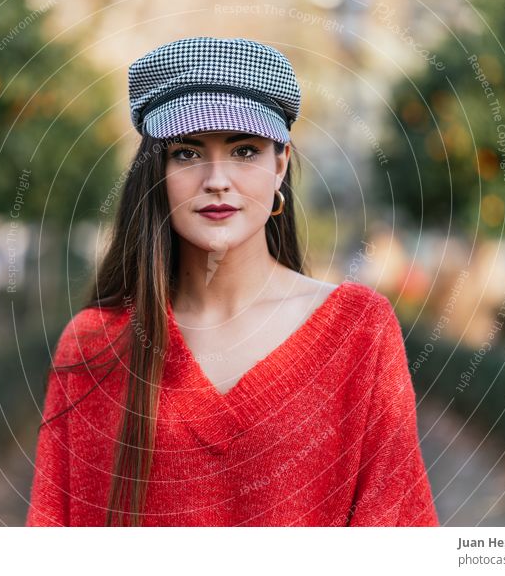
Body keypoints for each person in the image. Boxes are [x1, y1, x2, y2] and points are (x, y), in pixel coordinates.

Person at [25, 36, 439, 527]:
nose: (217, 179)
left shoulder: (359, 331)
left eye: (245, 150)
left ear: (279, 164)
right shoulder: (94, 345)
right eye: (187, 153)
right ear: (154, 170)